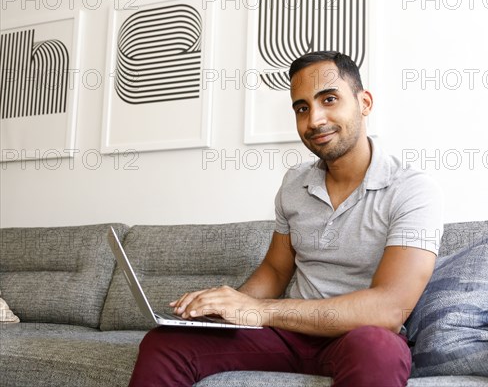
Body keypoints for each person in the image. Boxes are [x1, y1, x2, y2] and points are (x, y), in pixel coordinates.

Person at [128, 51, 444, 387]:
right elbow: (276, 270)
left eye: (330, 99)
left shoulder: (413, 190)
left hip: (358, 338)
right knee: (166, 344)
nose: (314, 120)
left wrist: (261, 310)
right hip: (290, 335)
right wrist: (227, 308)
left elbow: (389, 308)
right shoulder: (295, 184)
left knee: (377, 347)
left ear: (364, 102)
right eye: (302, 107)